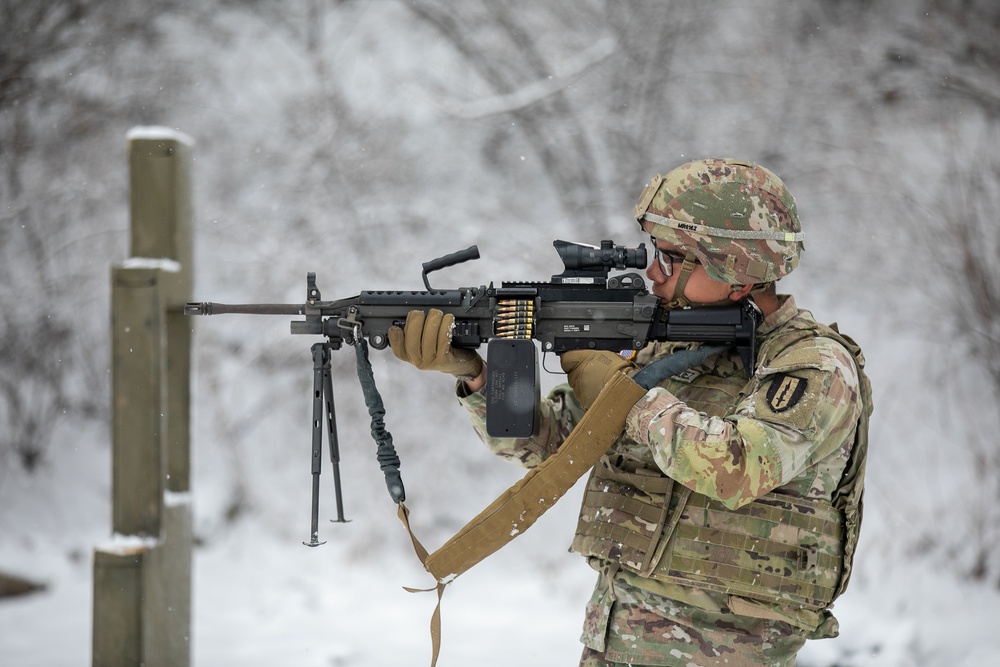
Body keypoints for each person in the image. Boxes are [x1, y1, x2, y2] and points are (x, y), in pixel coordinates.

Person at [388, 158, 872, 667]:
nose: (651, 272)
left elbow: (737, 467)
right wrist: (476, 376)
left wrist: (626, 397)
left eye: (670, 258)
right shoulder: (665, 348)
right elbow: (553, 445)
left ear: (736, 271)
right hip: (615, 639)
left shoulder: (812, 366)